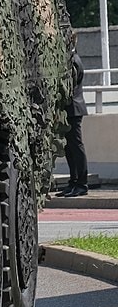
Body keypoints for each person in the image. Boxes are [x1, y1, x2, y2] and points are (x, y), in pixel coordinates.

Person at [59, 50, 91, 197]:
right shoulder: (71, 59)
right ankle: (74, 181)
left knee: (76, 147)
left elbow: (69, 87)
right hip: (69, 110)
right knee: (69, 148)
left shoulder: (73, 61)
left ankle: (82, 184)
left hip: (74, 109)